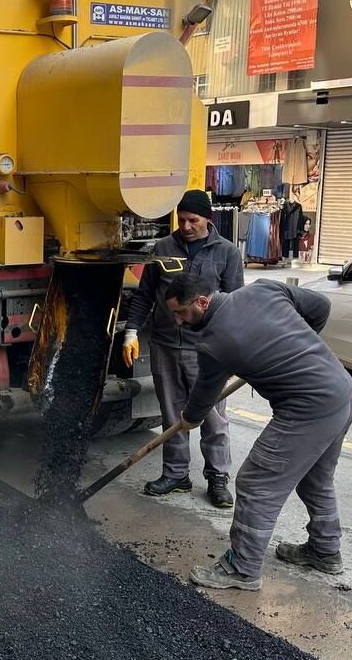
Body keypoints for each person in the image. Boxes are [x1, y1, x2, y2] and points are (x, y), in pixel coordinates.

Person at [163, 274, 352, 591]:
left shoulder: (213, 343)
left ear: (202, 301)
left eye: (181, 313)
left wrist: (189, 419)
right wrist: (297, 345)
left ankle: (242, 568)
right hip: (342, 392)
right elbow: (320, 306)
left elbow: (203, 396)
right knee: (315, 478)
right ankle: (325, 551)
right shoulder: (265, 288)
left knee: (256, 483)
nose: (179, 321)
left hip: (308, 408)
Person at [122, 189, 244, 508]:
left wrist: (232, 348)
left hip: (207, 350)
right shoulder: (162, 248)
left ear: (208, 219)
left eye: (193, 220)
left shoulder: (227, 252)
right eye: (182, 220)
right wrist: (131, 332)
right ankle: (176, 474)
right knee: (172, 414)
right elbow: (145, 295)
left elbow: (236, 303)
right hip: (165, 345)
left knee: (213, 416)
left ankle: (218, 477)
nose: (186, 226)